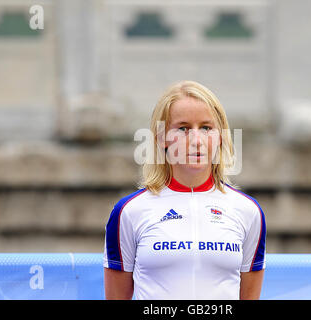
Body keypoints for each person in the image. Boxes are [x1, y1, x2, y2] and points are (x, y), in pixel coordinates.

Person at [103, 80, 266, 300]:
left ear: (220, 137)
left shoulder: (248, 212)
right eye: (183, 128)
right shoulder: (128, 212)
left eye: (206, 128)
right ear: (162, 138)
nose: (196, 140)